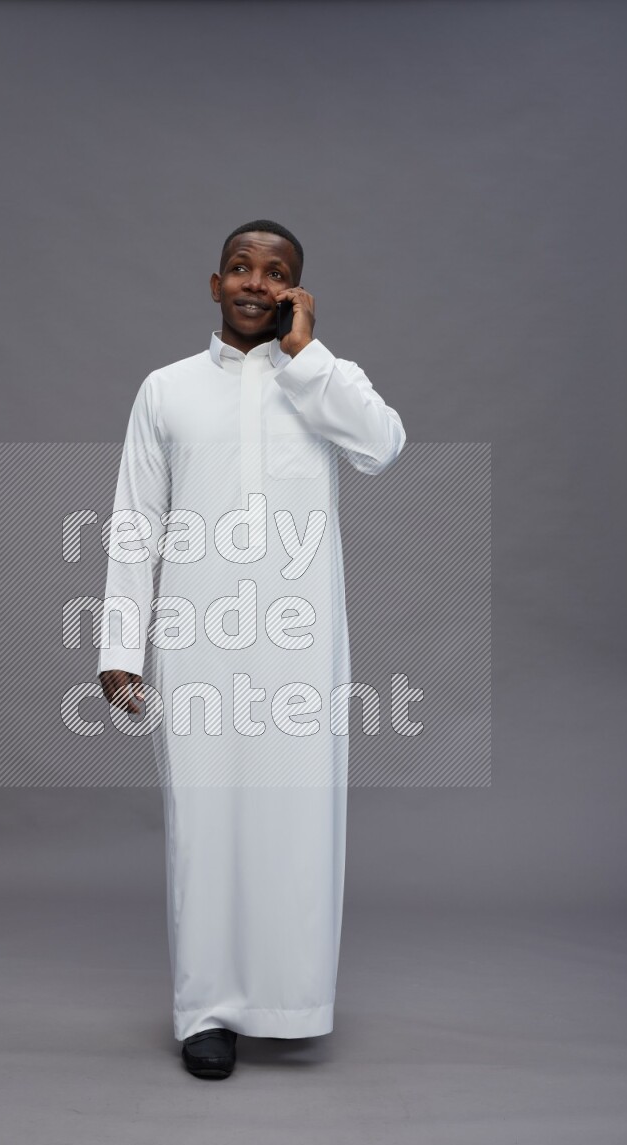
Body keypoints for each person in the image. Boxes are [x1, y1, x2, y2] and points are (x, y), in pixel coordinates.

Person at [98, 219, 406, 1079]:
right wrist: (120, 645)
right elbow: (135, 524)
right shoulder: (166, 390)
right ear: (213, 283)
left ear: (296, 294)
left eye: (277, 274)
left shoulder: (321, 380)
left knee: (297, 818)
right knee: (205, 822)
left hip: (300, 646)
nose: (255, 283)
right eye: (241, 267)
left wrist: (309, 356)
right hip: (197, 638)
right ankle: (207, 1012)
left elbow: (384, 446)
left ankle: (290, 1000)